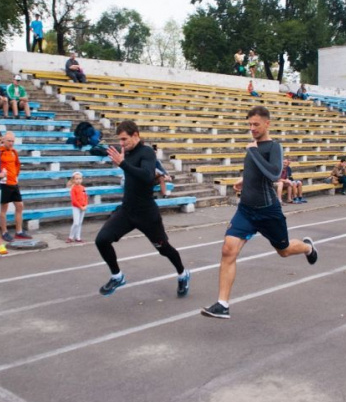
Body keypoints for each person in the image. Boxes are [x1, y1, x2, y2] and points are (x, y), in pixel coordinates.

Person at [201, 106, 317, 319]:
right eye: (249, 124)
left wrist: (253, 150)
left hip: (268, 212)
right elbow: (256, 171)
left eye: (256, 124)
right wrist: (244, 181)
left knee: (284, 250)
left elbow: (273, 174)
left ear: (267, 124)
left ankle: (308, 247)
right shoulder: (252, 147)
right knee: (228, 250)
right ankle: (222, 304)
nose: (252, 128)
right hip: (246, 210)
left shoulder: (273, 147)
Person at [94, 121, 190, 297]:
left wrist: (122, 163)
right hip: (127, 211)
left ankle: (183, 274)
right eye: (120, 140)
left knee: (164, 249)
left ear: (136, 135)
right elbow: (113, 153)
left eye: (124, 139)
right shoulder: (126, 152)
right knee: (101, 240)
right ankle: (117, 276)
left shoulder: (146, 152)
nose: (122, 143)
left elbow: (146, 176)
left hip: (147, 214)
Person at [0, 131, 32, 242]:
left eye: (12, 141)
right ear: (3, 141)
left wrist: (15, 175)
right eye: (9, 141)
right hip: (4, 183)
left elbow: (17, 164)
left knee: (19, 206)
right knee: (4, 208)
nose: (11, 143)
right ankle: (4, 232)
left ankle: (19, 231)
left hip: (13, 183)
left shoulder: (14, 152)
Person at [67, 171, 87, 243]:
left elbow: (85, 197)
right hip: (76, 207)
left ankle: (78, 237)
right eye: (77, 179)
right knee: (76, 222)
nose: (78, 180)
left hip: (83, 207)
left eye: (80, 178)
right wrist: (80, 206)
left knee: (80, 222)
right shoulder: (73, 188)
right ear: (73, 180)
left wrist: (85, 205)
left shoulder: (83, 187)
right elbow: (74, 200)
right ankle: (70, 236)